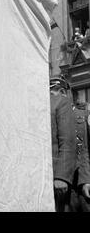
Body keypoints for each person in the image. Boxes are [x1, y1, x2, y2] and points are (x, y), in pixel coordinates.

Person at [50, 76, 76, 212]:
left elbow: (67, 141)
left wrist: (62, 176)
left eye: (51, 92)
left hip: (56, 174)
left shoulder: (61, 102)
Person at [68, 93, 90, 212]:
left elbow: (85, 149)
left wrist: (86, 179)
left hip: (85, 181)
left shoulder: (85, 116)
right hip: (66, 183)